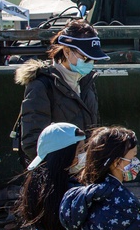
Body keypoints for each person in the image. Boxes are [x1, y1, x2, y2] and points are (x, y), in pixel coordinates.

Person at [15, 19, 109, 163]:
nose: (90, 63)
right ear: (66, 51)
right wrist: (65, 166)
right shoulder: (41, 85)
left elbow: (94, 127)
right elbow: (33, 141)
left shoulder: (87, 81)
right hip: (58, 172)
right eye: (85, 57)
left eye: (93, 59)